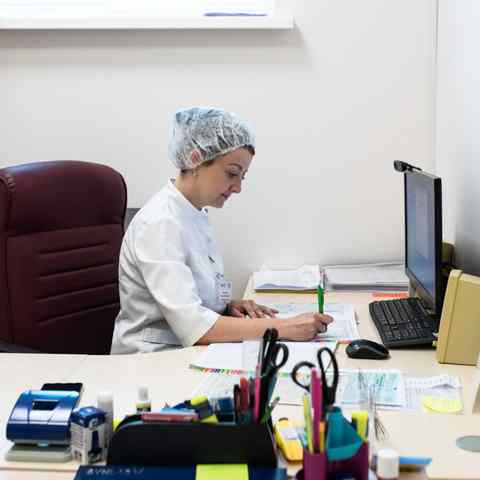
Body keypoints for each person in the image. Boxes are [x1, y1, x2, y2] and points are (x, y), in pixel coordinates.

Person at [111, 107, 333, 354]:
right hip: (150, 359)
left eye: (242, 177)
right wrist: (285, 327)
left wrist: (225, 307)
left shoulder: (193, 213)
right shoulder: (159, 223)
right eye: (232, 173)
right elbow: (195, 328)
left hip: (184, 349)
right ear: (195, 159)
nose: (237, 187)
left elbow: (188, 298)